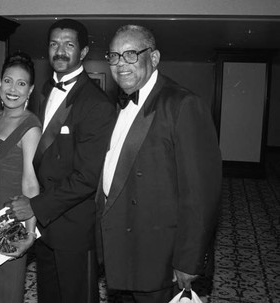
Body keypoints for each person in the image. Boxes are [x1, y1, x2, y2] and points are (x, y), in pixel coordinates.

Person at [97, 24, 222, 303]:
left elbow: (201, 195)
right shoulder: (118, 105)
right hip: (121, 248)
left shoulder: (183, 104)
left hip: (157, 257)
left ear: (153, 58)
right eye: (114, 56)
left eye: (131, 54)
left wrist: (189, 261)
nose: (120, 64)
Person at [5, 19, 117, 303]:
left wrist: (34, 206)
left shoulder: (97, 103)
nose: (60, 51)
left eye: (69, 44)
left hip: (73, 226)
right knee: (49, 294)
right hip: (44, 223)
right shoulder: (42, 91)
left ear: (83, 52)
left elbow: (87, 177)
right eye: (54, 44)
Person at [0, 51, 41, 303]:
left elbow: (31, 181)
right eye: (8, 80)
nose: (13, 88)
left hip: (6, 222)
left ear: (30, 90)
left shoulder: (30, 125)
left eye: (21, 83)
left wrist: (30, 234)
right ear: (0, 83)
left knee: (1, 292)